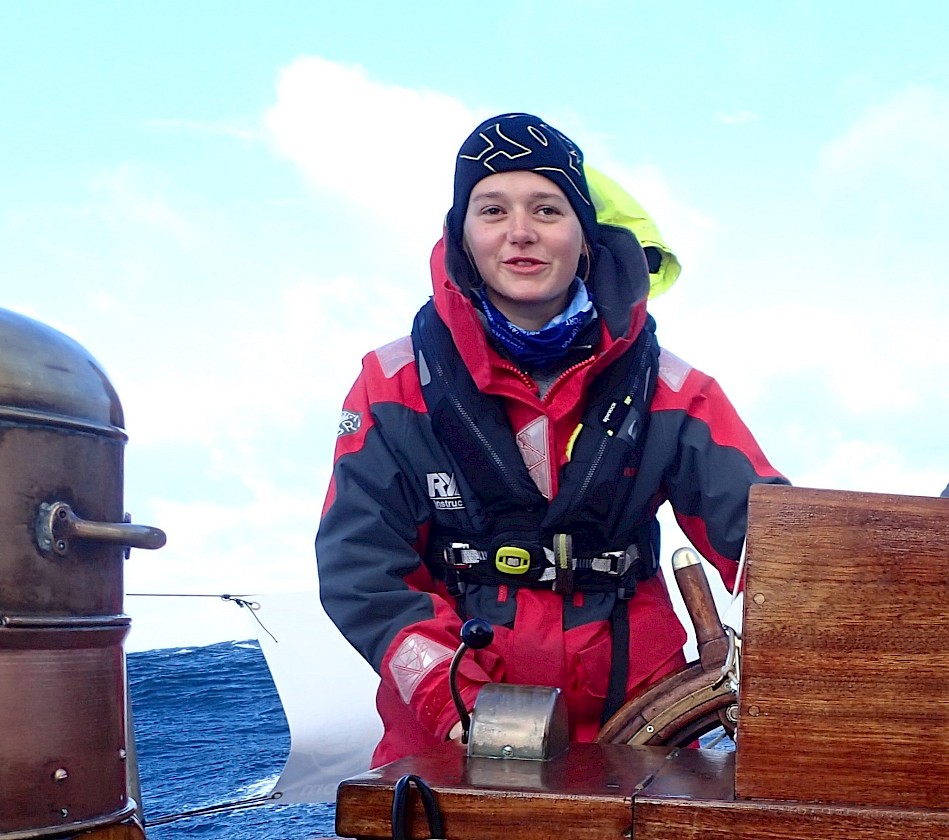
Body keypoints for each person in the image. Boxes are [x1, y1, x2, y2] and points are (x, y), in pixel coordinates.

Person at [316, 113, 787, 767]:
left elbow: (776, 550)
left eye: (546, 208)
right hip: (444, 735)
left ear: (583, 237)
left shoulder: (677, 392)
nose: (519, 233)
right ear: (460, 235)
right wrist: (450, 704)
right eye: (491, 209)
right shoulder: (389, 386)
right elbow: (360, 571)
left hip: (638, 738)